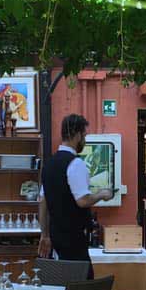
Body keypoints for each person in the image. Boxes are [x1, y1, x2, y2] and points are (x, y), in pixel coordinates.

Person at [38, 114, 113, 277]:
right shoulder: (75, 163)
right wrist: (102, 194)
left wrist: (45, 235)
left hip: (55, 238)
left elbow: (42, 202)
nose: (84, 140)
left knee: (59, 284)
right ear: (77, 135)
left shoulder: (49, 165)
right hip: (74, 239)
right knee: (82, 284)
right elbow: (83, 201)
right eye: (84, 136)